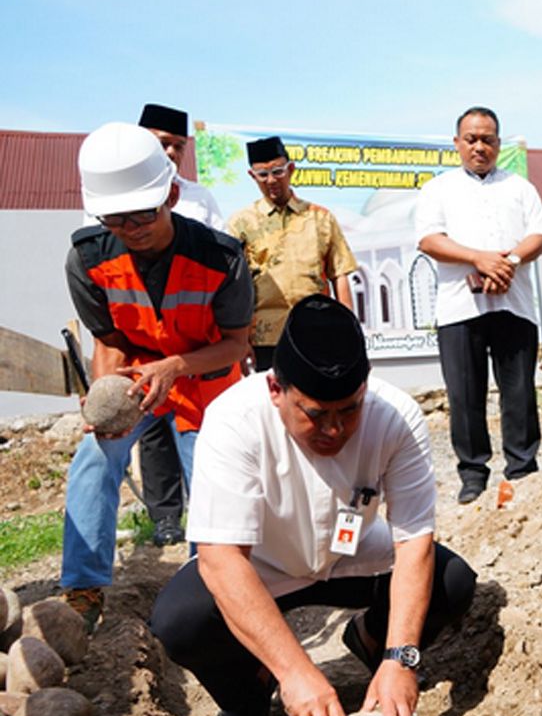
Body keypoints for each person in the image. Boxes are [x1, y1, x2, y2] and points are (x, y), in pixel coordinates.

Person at [149, 295, 476, 716]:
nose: (335, 429)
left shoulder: (396, 418)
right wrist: (294, 670)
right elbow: (221, 560)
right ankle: (253, 684)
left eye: (349, 410)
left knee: (452, 582)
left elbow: (413, 541)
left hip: (352, 556)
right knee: (180, 622)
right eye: (316, 413)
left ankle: (368, 640)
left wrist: (400, 656)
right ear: (276, 390)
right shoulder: (233, 421)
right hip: (260, 568)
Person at [64, 122, 253, 630]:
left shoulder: (222, 257)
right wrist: (106, 402)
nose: (132, 226)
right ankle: (83, 588)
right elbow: (108, 339)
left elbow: (236, 343)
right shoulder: (88, 259)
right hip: (138, 379)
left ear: (171, 193)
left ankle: (207, 586)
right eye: (116, 218)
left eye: (143, 213)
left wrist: (175, 367)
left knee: (210, 482)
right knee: (93, 456)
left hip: (205, 378)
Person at [415, 107, 542, 504]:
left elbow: (540, 235)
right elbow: (428, 240)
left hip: (515, 304)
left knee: (519, 393)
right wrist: (478, 259)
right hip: (460, 308)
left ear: (498, 143)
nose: (480, 146)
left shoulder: (519, 187)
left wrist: (506, 263)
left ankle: (523, 469)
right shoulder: (438, 189)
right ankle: (473, 474)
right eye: (471, 139)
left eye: (488, 139)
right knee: (464, 395)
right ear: (457, 143)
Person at [132, 102, 226, 547]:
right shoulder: (116, 193)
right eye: (160, 143)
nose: (169, 152)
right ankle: (166, 517)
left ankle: (207, 534)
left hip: (194, 343)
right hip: (140, 339)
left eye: (176, 146)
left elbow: (226, 259)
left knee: (198, 437)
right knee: (152, 433)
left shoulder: (198, 197)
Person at [227, 136, 358, 370]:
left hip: (316, 331)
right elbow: (234, 286)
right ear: (252, 176)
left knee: (316, 400)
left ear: (291, 169)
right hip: (263, 338)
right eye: (262, 175)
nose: (271, 180)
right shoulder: (241, 223)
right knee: (272, 401)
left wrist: (348, 329)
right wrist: (239, 340)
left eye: (278, 172)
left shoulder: (320, 218)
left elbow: (340, 274)